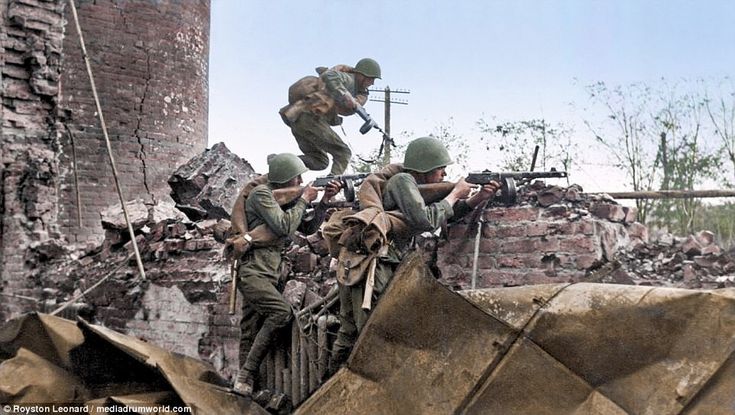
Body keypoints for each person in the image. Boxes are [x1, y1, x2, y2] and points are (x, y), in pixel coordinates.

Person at [330, 136, 501, 366]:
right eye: (440, 169)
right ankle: (340, 386)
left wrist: (477, 198)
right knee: (369, 333)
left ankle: (329, 383)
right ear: (425, 168)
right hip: (374, 266)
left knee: (352, 332)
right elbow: (425, 220)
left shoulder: (408, 184)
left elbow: (439, 214)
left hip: (370, 264)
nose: (444, 175)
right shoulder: (402, 181)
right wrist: (454, 194)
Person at [232, 153, 340, 397]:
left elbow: (306, 227)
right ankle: (246, 374)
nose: (301, 180)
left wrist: (324, 201)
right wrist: (303, 199)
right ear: (284, 180)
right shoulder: (262, 194)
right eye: (297, 177)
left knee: (251, 328)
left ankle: (247, 387)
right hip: (254, 270)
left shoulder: (283, 198)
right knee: (280, 314)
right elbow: (283, 226)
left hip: (272, 271)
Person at [279, 58, 382, 175]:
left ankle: (279, 163)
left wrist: (354, 103)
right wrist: (346, 95)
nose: (372, 83)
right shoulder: (350, 80)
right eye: (371, 78)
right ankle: (333, 183)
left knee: (320, 161)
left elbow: (350, 106)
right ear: (361, 75)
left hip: (296, 118)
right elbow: (330, 76)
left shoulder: (357, 90)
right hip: (310, 117)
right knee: (343, 153)